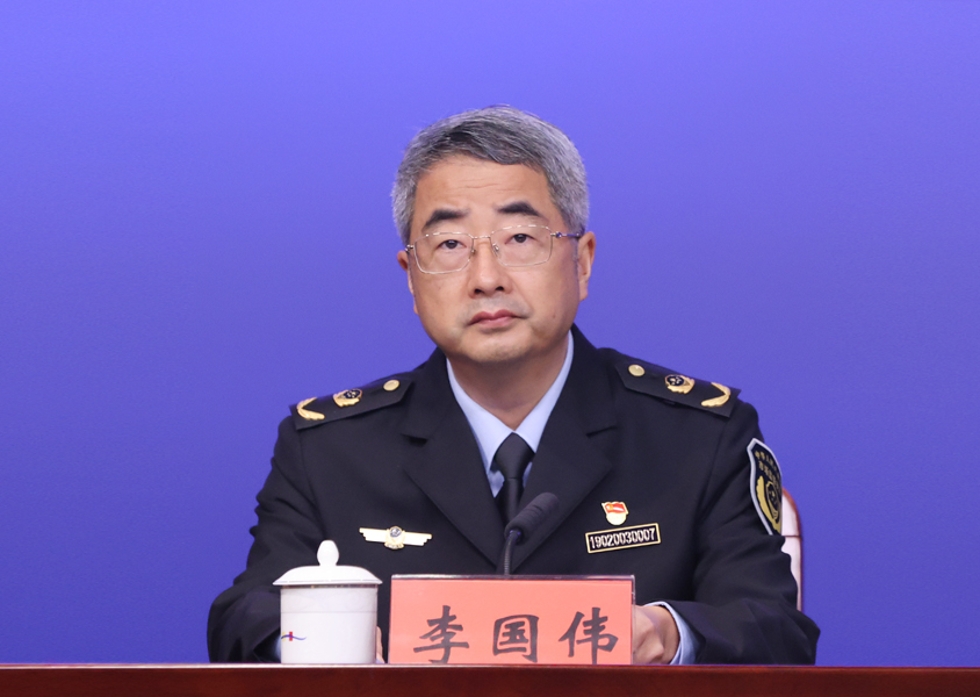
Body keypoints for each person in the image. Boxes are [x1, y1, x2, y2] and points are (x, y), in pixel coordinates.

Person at [207, 106, 820, 664]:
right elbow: (242, 618)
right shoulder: (329, 450)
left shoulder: (697, 436)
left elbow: (774, 629)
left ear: (582, 261)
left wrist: (667, 633)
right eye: (449, 244)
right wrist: (324, 640)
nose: (486, 277)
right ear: (411, 277)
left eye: (520, 239)